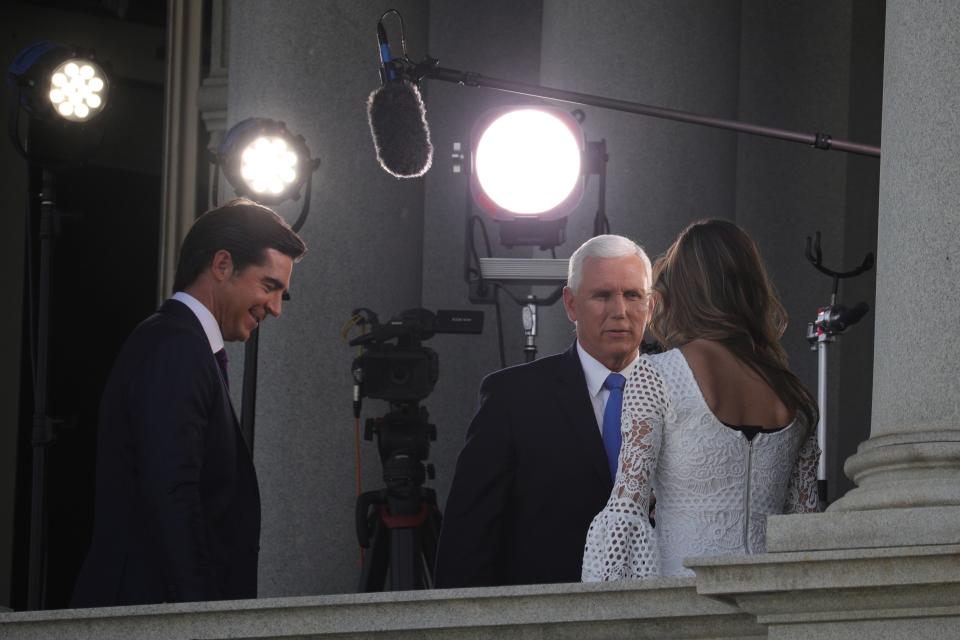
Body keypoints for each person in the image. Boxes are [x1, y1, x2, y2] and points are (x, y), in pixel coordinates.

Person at [71, 198, 306, 606]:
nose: (275, 308)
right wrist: (202, 617)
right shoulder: (177, 347)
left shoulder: (182, 345)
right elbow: (172, 493)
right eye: (269, 286)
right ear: (221, 265)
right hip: (148, 618)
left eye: (282, 294)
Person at [581, 219, 820, 582]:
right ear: (752, 289)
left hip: (685, 602)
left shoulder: (657, 375)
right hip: (771, 604)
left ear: (682, 290)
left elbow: (627, 510)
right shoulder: (794, 396)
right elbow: (805, 529)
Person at [434, 235, 655, 587]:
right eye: (602, 295)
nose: (620, 311)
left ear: (651, 305)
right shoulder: (513, 398)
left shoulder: (682, 394)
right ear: (570, 303)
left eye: (632, 295)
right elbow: (467, 544)